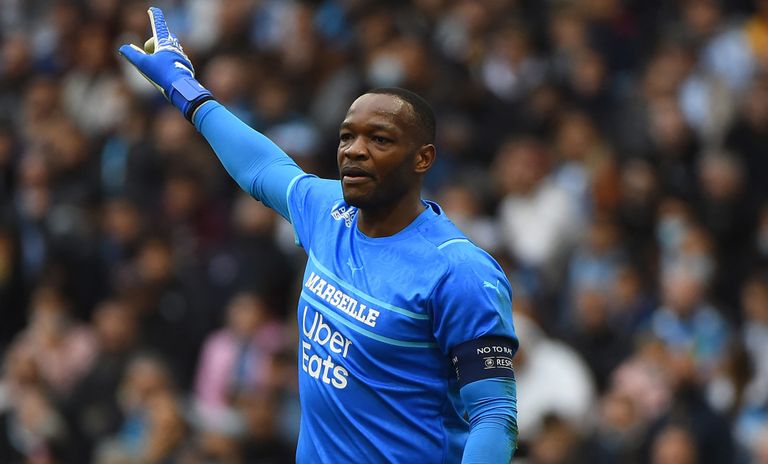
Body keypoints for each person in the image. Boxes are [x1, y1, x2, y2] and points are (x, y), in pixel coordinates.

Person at [117, 7, 519, 464]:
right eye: (347, 137)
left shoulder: (459, 272)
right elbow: (262, 166)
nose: (355, 151)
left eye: (380, 139)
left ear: (423, 158)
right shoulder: (329, 211)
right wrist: (183, 86)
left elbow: (495, 416)